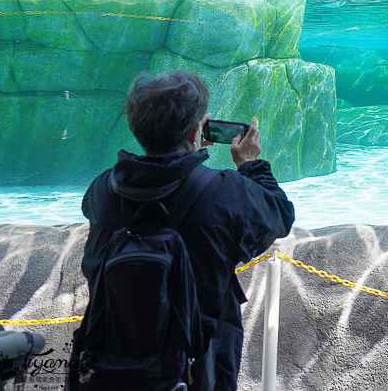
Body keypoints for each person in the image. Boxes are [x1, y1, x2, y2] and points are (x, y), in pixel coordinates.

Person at [78, 71, 295, 390]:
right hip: (198, 364)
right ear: (197, 129)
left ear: (135, 128)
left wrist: (186, 153)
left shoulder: (103, 190)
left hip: (114, 362)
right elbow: (280, 214)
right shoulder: (224, 192)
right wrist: (249, 165)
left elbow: (160, 186)